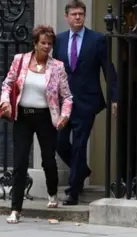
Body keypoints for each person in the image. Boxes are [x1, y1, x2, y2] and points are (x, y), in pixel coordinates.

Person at [0, 25, 73, 223]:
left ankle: (52, 192)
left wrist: (64, 115)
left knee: (48, 159)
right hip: (23, 116)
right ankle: (15, 209)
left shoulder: (57, 67)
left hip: (45, 118)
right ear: (35, 43)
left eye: (49, 43)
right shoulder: (20, 60)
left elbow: (67, 97)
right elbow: (7, 83)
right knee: (20, 160)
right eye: (43, 43)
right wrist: (5, 101)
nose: (46, 46)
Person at [53, 0, 118, 205]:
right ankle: (82, 170)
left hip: (86, 101)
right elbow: (52, 72)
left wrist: (114, 97)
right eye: (73, 14)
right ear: (67, 17)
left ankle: (73, 191)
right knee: (60, 142)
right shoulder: (59, 40)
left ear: (85, 16)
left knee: (80, 144)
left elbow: (109, 68)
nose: (77, 17)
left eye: (81, 14)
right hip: (63, 103)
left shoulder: (97, 39)